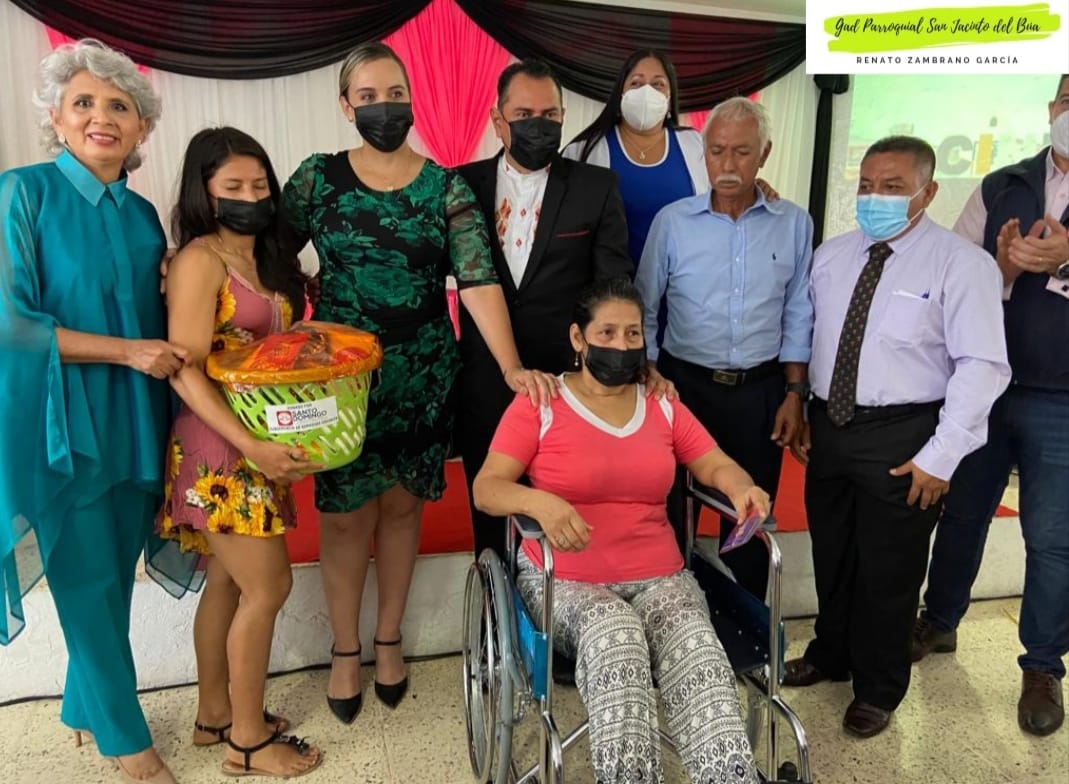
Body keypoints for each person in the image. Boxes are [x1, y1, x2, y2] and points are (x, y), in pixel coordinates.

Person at [280, 42, 550, 725]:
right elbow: (267, 258)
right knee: (344, 518)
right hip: (342, 383)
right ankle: (345, 650)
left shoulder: (445, 187)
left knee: (403, 510)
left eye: (394, 94)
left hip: (424, 373)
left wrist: (510, 364)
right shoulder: (317, 179)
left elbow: (478, 279)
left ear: (412, 100)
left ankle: (389, 639)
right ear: (346, 107)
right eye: (368, 97)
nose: (384, 107)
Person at [473, 277, 764, 784]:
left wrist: (742, 488)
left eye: (633, 334)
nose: (622, 345)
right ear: (578, 338)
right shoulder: (541, 402)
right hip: (564, 582)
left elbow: (713, 463)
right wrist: (539, 503)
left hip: (660, 574)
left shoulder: (662, 404)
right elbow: (487, 488)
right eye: (606, 332)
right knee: (616, 633)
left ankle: (730, 776)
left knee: (695, 640)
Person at [785, 135, 1011, 738]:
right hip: (832, 425)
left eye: (892, 187)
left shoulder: (961, 264)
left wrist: (942, 456)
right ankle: (832, 653)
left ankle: (878, 687)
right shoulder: (832, 256)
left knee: (890, 570)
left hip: (906, 433)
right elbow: (812, 335)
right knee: (834, 554)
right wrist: (803, 405)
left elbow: (983, 366)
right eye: (866, 186)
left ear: (927, 192)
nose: (875, 198)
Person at [0, 39, 182, 784]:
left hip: (138, 420)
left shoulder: (143, 217)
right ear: (56, 116)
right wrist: (128, 352)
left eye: (119, 106)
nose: (101, 117)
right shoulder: (22, 192)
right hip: (61, 425)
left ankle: (82, 705)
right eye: (83, 102)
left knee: (113, 574)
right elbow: (10, 323)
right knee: (83, 580)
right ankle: (127, 743)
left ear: (141, 128)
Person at [156, 127, 322, 777]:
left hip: (257, 438)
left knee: (228, 581)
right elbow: (184, 368)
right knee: (269, 585)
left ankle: (214, 716)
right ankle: (247, 743)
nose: (250, 197)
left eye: (259, 186)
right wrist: (251, 443)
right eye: (233, 187)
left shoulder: (265, 258)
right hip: (219, 448)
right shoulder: (200, 261)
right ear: (204, 193)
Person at [913, 74, 1069, 736]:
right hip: (983, 387)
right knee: (962, 513)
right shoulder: (1001, 182)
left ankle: (1042, 666)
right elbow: (952, 273)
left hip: (1061, 400)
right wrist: (999, 270)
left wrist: (1065, 259)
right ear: (1052, 106)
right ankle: (939, 619)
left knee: (1052, 538)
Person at [455, 58, 634, 563]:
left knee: (563, 516)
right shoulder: (459, 184)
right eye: (525, 114)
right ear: (498, 120)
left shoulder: (596, 187)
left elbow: (613, 287)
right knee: (490, 516)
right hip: (484, 379)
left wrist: (617, 366)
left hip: (567, 382)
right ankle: (493, 604)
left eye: (550, 115)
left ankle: (561, 608)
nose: (540, 124)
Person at [635, 97, 813, 599]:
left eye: (742, 151)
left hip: (761, 392)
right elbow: (645, 306)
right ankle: (674, 610)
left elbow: (799, 312)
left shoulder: (793, 223)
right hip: (682, 388)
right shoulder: (673, 222)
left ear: (765, 154)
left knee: (751, 514)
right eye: (717, 151)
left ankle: (749, 617)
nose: (728, 164)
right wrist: (647, 377)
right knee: (672, 510)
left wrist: (795, 393)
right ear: (704, 154)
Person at [562, 49, 709, 268]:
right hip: (609, 285)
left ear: (670, 98)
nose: (646, 92)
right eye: (636, 83)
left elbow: (722, 205)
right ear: (621, 93)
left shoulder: (696, 145)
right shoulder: (583, 152)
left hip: (683, 284)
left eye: (658, 84)